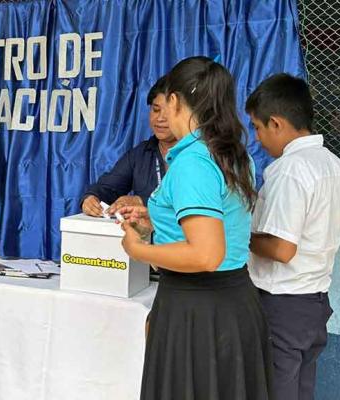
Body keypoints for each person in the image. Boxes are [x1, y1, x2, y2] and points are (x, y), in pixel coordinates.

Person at [118, 56, 272, 400]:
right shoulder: (230, 154)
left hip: (197, 310)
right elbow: (209, 231)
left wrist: (138, 249)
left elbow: (206, 253)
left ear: (174, 100)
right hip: (231, 304)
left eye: (165, 104)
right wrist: (153, 228)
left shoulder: (193, 162)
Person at [246, 73, 340, 400]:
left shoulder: (290, 170)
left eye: (258, 127)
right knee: (300, 391)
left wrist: (239, 235)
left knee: (273, 390)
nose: (258, 138)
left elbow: (281, 248)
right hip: (314, 301)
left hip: (282, 305)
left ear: (276, 123)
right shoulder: (336, 167)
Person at [81, 76, 176, 216]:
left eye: (168, 113)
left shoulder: (198, 153)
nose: (160, 118)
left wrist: (141, 201)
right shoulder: (141, 153)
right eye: (156, 110)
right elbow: (108, 187)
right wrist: (91, 198)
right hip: (145, 237)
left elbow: (194, 202)